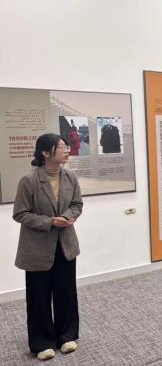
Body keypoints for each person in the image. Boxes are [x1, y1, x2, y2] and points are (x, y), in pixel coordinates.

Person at [12, 133, 83, 361]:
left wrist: (68, 216)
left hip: (65, 245)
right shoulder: (29, 181)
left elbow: (77, 204)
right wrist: (50, 222)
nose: (66, 150)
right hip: (37, 248)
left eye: (65, 146)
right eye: (60, 147)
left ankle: (67, 336)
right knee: (39, 296)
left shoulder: (70, 177)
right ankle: (42, 342)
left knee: (66, 292)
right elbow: (20, 214)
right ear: (45, 153)